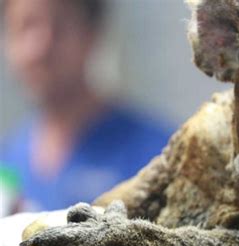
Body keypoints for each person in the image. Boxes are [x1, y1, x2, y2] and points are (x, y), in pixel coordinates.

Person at [0, 0, 172, 214]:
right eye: (26, 25)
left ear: (92, 34)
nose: (39, 47)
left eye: (59, 26)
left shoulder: (160, 156)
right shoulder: (8, 160)